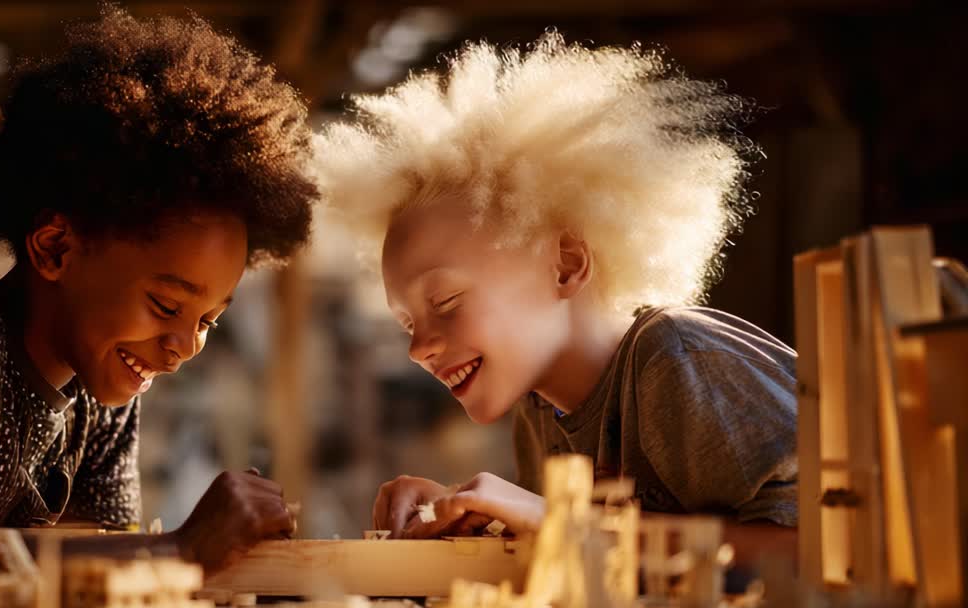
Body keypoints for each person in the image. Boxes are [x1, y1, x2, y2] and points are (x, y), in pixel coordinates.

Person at [0, 7, 318, 574]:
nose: (184, 347)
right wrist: (177, 548)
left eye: (208, 320)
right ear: (56, 248)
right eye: (166, 305)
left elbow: (103, 572)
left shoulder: (103, 398)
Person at [311, 35, 797, 562]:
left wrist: (555, 520)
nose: (417, 349)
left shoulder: (675, 358)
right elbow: (584, 552)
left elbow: (823, 549)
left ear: (566, 264)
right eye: (407, 324)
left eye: (446, 301)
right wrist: (465, 514)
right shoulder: (538, 411)